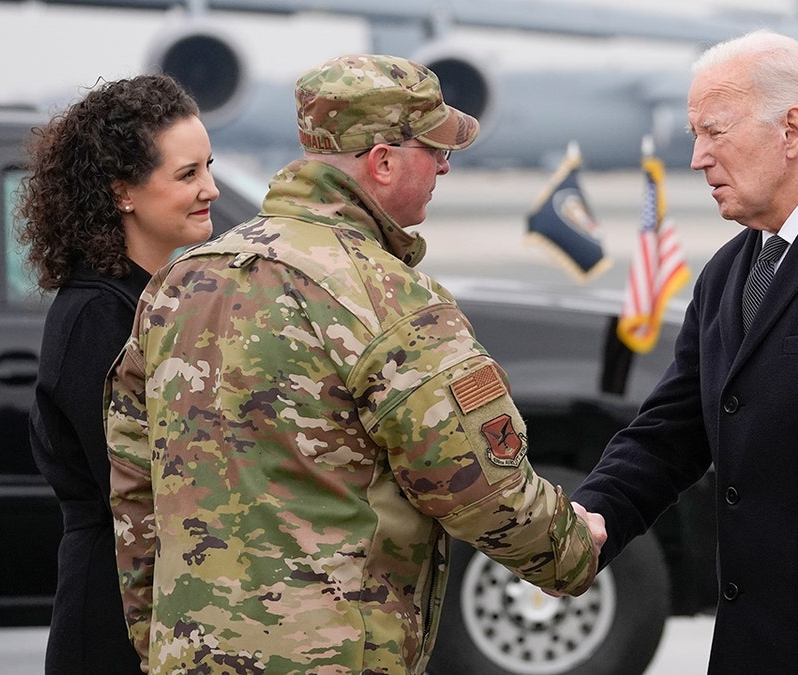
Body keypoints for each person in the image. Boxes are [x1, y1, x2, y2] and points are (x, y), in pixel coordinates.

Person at [105, 54, 603, 674]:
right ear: (384, 161)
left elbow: (134, 489)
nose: (446, 163)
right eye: (434, 148)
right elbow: (476, 479)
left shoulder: (180, 282)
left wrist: (157, 639)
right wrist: (572, 550)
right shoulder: (385, 296)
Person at [571, 30, 798, 672]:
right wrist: (582, 525)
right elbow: (670, 434)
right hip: (751, 645)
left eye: (714, 132)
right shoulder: (728, 273)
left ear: (791, 129)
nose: (698, 157)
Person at [18, 73, 218, 674]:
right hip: (112, 616)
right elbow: (142, 484)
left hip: (161, 604)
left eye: (209, 165)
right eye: (187, 175)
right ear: (123, 192)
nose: (209, 188)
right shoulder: (97, 316)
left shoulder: (149, 300)